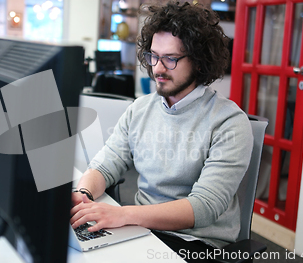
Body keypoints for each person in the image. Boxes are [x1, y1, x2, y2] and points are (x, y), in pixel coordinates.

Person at [70, 1, 253, 261]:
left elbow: (203, 207)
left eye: (171, 59)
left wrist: (123, 215)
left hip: (196, 243)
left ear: (199, 62)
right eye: (153, 56)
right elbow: (105, 164)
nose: (157, 68)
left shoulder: (229, 122)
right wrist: (83, 195)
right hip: (142, 229)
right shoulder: (140, 109)